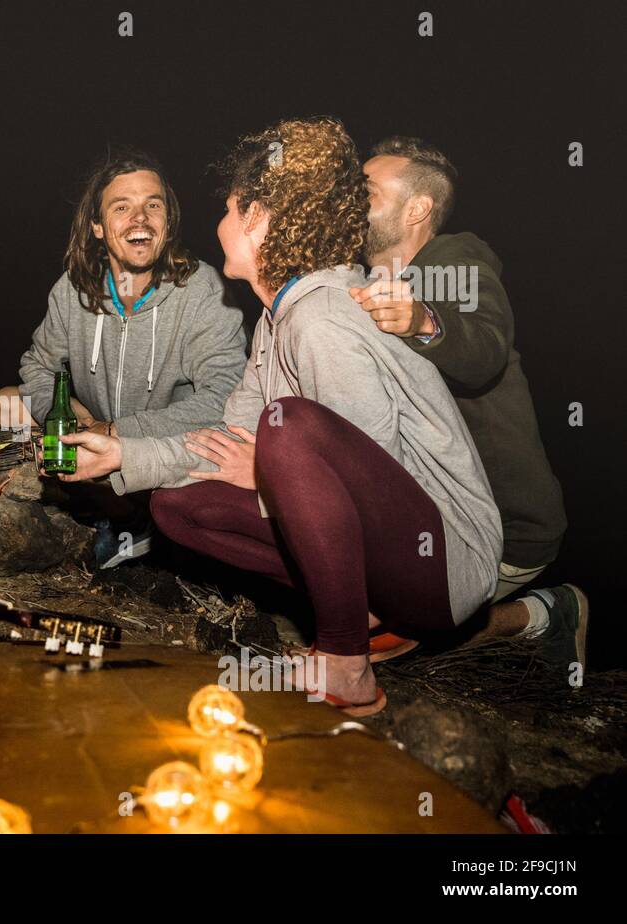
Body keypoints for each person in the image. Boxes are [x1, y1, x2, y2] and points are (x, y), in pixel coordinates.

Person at [56, 118, 503, 715]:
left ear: (260, 220)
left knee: (285, 426)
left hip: (444, 559)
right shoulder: (279, 319)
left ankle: (346, 665)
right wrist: (125, 455)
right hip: (390, 559)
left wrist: (267, 470)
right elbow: (225, 441)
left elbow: (372, 466)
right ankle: (359, 607)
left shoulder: (322, 319)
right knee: (178, 505)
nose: (217, 224)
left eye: (228, 209)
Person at [352, 137, 584, 668]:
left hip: (508, 530)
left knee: (377, 646)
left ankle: (546, 614)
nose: (349, 197)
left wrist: (424, 322)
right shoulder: (367, 283)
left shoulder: (455, 259)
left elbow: (483, 349)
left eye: (364, 189)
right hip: (430, 513)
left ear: (417, 208)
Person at [0, 150, 245, 568]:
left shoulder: (202, 290)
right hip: (97, 442)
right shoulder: (74, 288)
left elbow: (225, 397)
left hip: (163, 453)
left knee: (219, 444)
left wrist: (118, 431)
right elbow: (37, 366)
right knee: (5, 404)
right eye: (122, 207)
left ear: (168, 221)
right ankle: (92, 513)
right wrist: (69, 417)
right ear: (96, 226)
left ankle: (148, 528)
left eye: (153, 205)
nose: (140, 219)